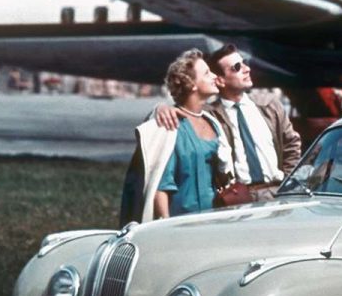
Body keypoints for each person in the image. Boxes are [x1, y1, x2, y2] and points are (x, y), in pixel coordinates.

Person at [152, 45, 302, 201]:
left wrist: (289, 182)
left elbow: (291, 145)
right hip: (239, 197)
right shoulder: (210, 116)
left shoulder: (269, 105)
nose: (246, 69)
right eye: (237, 67)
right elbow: (187, 108)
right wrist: (160, 108)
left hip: (277, 192)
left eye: (244, 63)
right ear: (220, 81)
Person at [121, 50, 224, 223]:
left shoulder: (213, 122)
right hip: (181, 221)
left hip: (214, 218)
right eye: (207, 73)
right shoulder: (172, 124)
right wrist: (165, 222)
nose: (214, 76)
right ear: (192, 84)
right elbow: (162, 183)